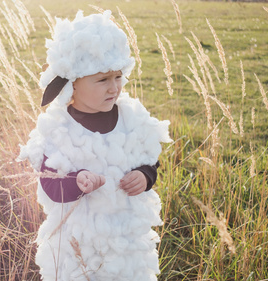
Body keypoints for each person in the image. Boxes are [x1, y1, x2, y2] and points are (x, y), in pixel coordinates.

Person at [18, 10, 172, 281]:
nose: (113, 88)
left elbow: (148, 157)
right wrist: (76, 181)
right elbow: (50, 184)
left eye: (118, 77)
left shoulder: (131, 118)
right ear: (72, 84)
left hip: (127, 241)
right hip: (77, 246)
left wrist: (145, 176)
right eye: (102, 80)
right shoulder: (58, 130)